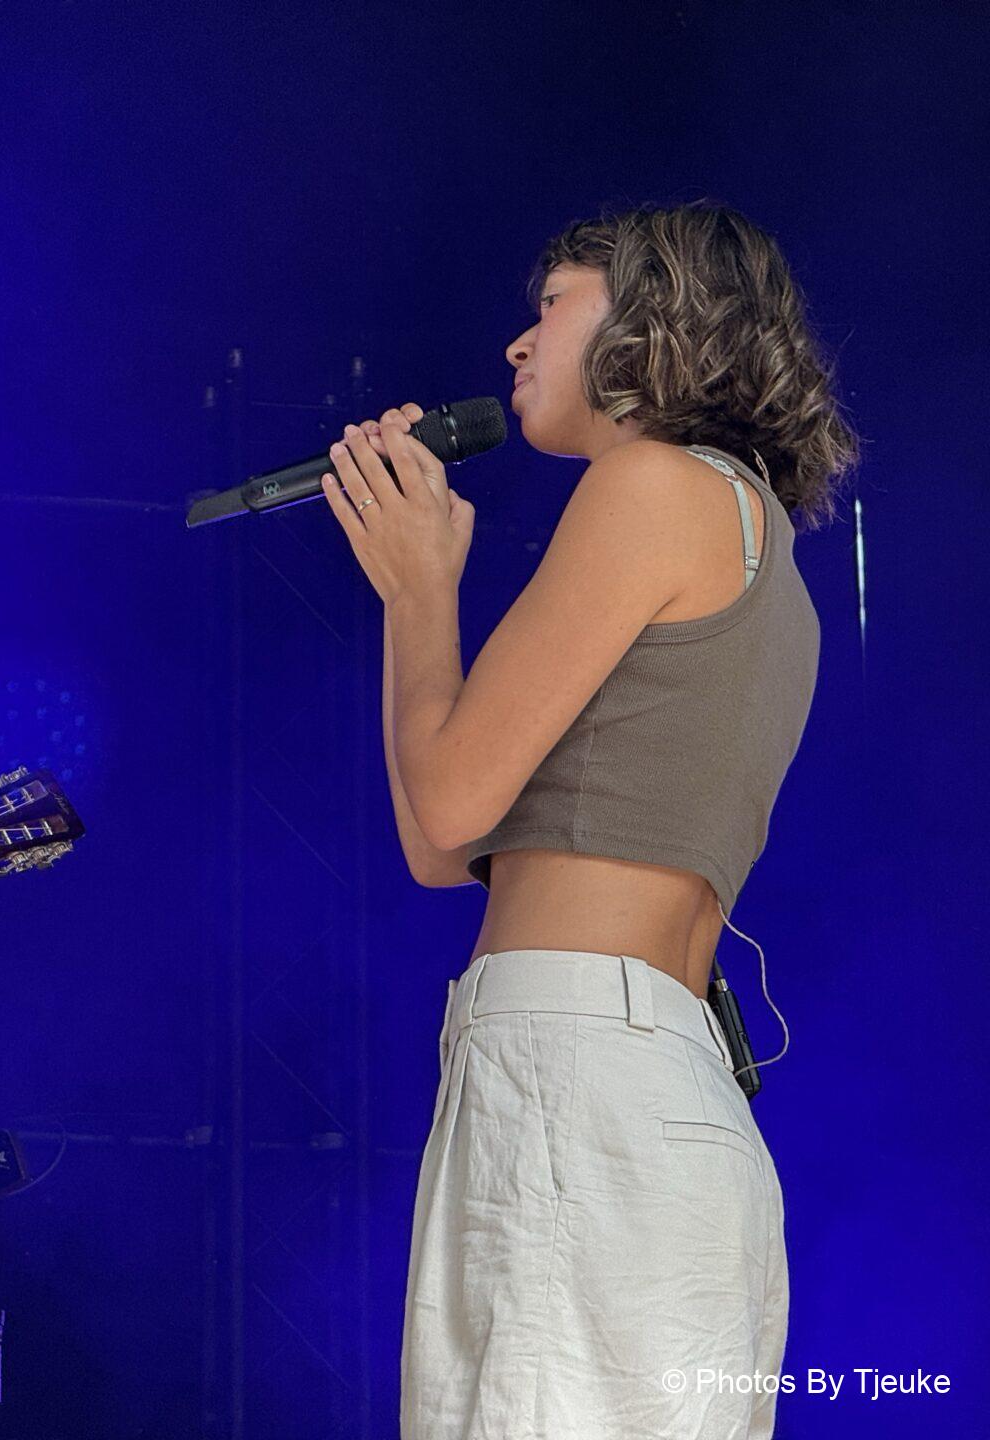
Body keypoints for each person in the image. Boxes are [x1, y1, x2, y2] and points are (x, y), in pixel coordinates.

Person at [315, 201, 859, 1439]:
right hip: (643, 1088)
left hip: (579, 1073)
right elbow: (443, 851)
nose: (517, 343)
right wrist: (420, 591)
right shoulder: (753, 537)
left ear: (655, 316)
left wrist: (419, 586)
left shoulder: (651, 482)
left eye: (552, 303)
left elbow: (449, 800)